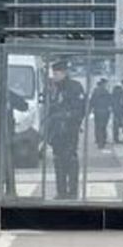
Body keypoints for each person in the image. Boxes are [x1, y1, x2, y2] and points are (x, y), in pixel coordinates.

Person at [44, 60, 86, 200]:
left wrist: (65, 117)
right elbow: (49, 109)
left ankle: (72, 191)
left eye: (56, 73)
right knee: (58, 161)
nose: (54, 76)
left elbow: (80, 110)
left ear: (64, 72)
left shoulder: (75, 87)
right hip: (56, 132)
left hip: (69, 130)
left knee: (70, 160)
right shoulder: (53, 88)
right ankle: (61, 191)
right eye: (53, 73)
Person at [89, 78, 113, 150]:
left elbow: (92, 101)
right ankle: (102, 141)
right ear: (104, 84)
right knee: (103, 127)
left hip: (97, 111)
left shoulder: (95, 91)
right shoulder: (106, 92)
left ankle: (99, 140)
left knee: (98, 126)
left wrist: (90, 110)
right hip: (105, 111)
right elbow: (110, 101)